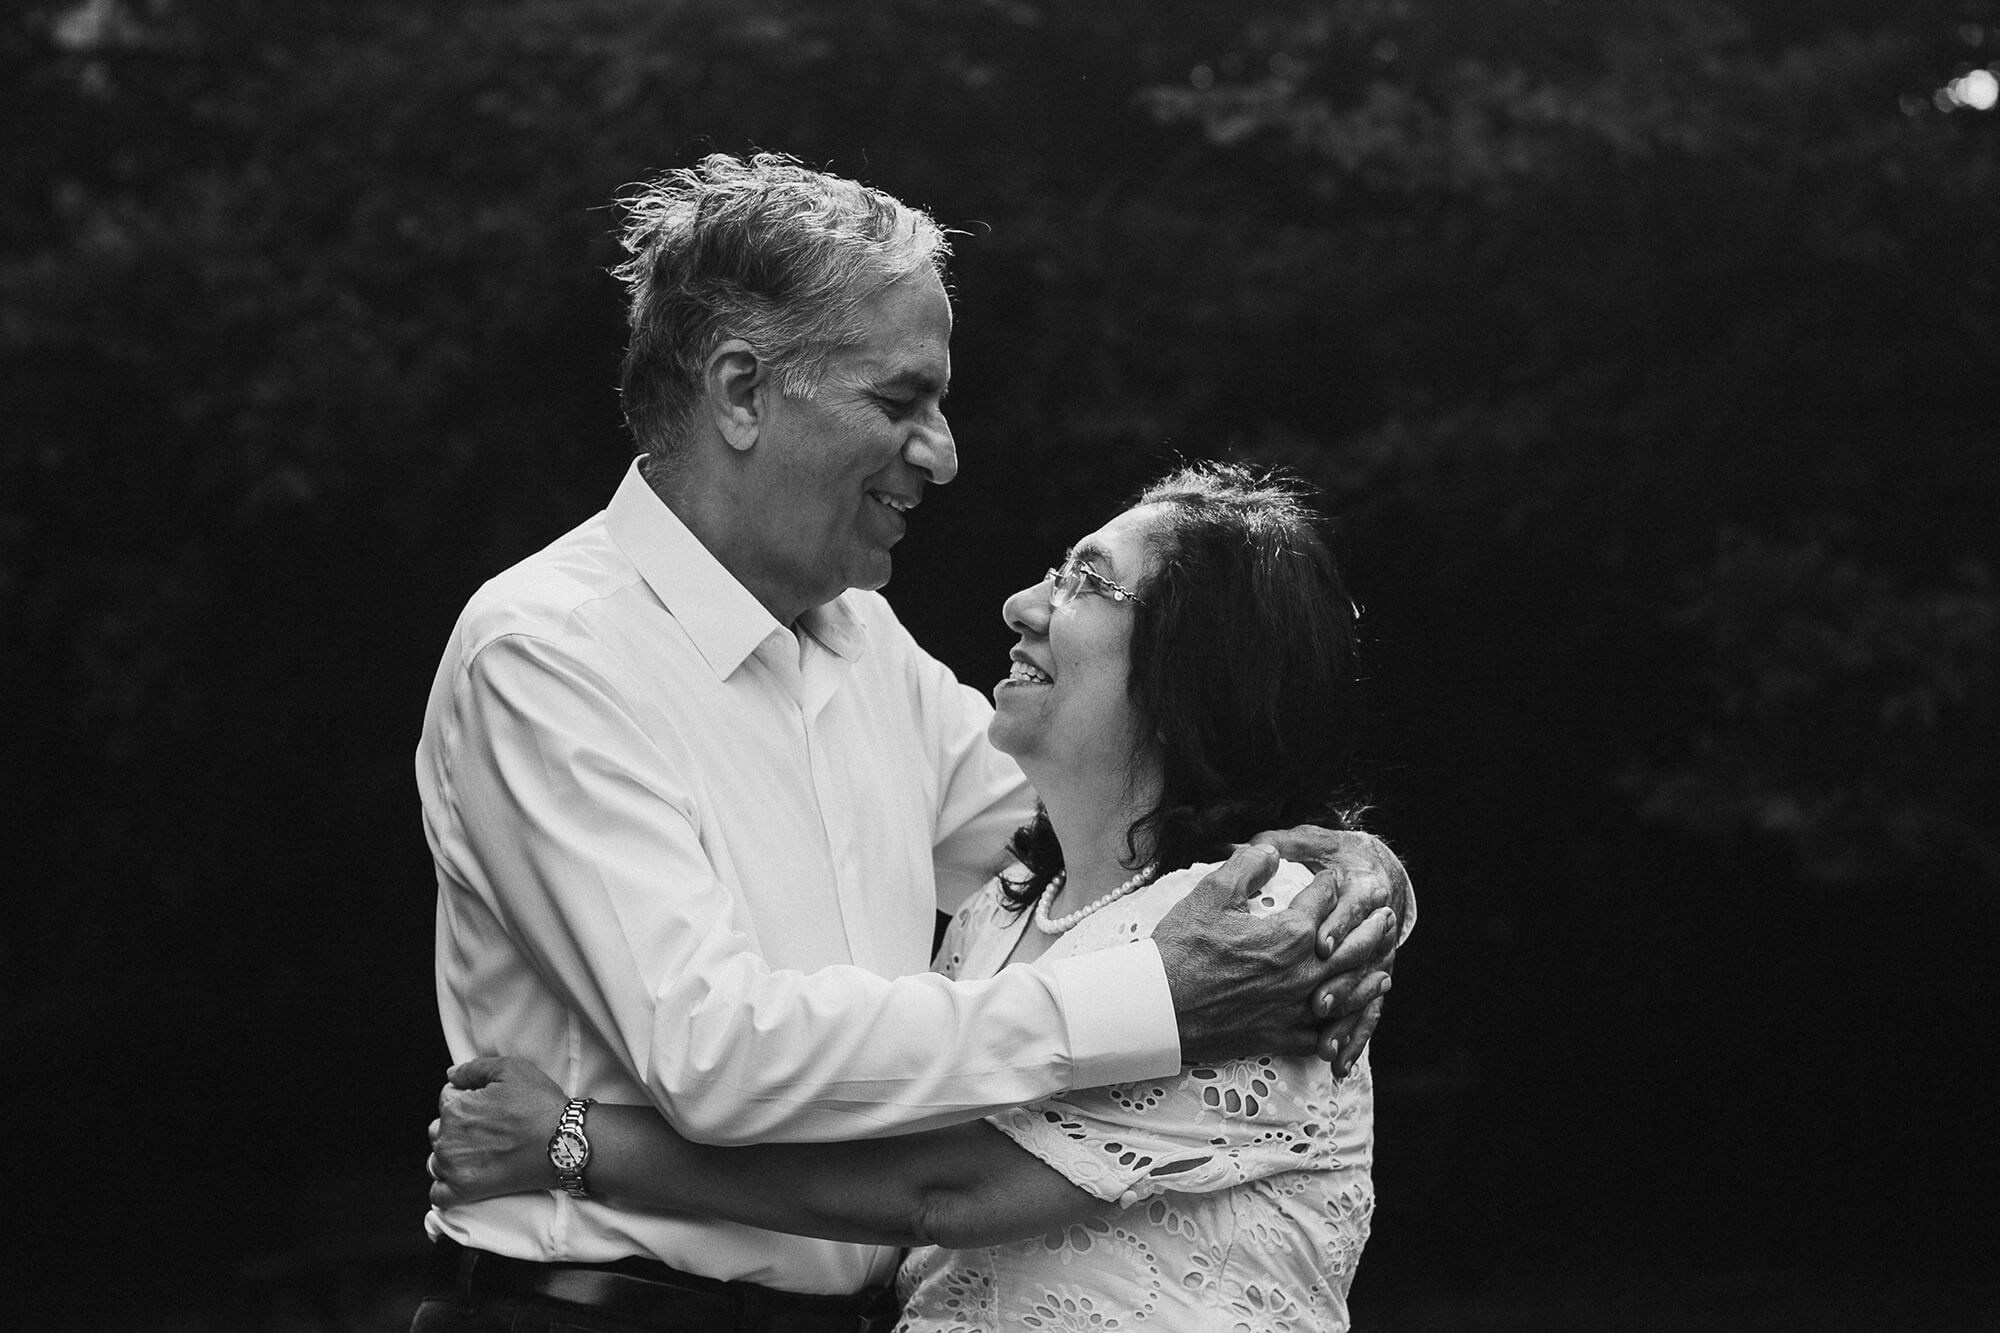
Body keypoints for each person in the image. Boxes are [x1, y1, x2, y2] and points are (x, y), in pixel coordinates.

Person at [412, 152, 1405, 1332]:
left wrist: (1349, 876)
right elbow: (714, 1053)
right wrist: (1157, 998)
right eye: (898, 402)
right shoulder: (549, 651)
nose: (940, 451)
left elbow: (1112, 831)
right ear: (739, 392)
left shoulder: (859, 644)